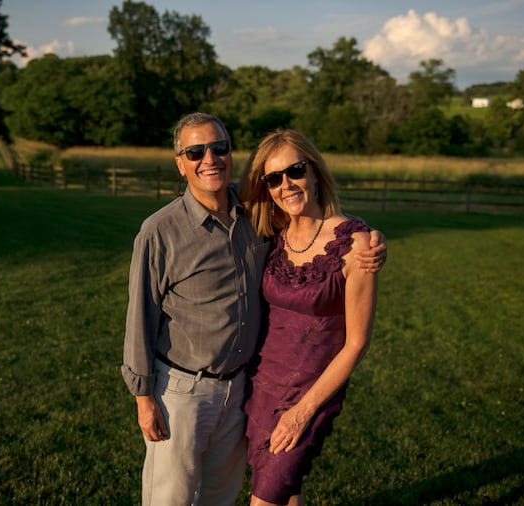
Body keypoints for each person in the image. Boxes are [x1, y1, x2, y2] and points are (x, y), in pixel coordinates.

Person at [121, 113, 385, 506]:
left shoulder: (259, 214)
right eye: (195, 151)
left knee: (221, 497)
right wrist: (144, 399)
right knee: (169, 499)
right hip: (182, 390)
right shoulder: (159, 231)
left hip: (242, 389)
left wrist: (370, 239)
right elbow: (140, 317)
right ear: (180, 163)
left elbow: (322, 228)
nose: (209, 158)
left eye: (219, 147)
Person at [238, 128, 379, 506]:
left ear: (315, 172)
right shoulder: (275, 235)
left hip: (312, 394)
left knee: (266, 496)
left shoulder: (357, 245)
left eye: (295, 170)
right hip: (263, 386)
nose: (286, 184)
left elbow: (357, 343)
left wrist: (302, 412)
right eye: (273, 178)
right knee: (286, 492)